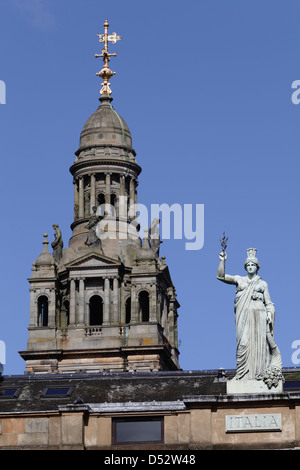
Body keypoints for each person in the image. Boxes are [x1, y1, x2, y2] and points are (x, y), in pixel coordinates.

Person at [217, 248, 283, 387]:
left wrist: (270, 315)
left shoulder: (262, 284)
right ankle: (241, 374)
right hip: (243, 316)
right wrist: (222, 261)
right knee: (243, 343)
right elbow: (221, 276)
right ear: (246, 267)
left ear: (257, 267)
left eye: (253, 265)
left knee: (260, 346)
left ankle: (259, 375)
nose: (251, 267)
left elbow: (269, 303)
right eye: (248, 265)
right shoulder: (239, 279)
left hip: (259, 316)